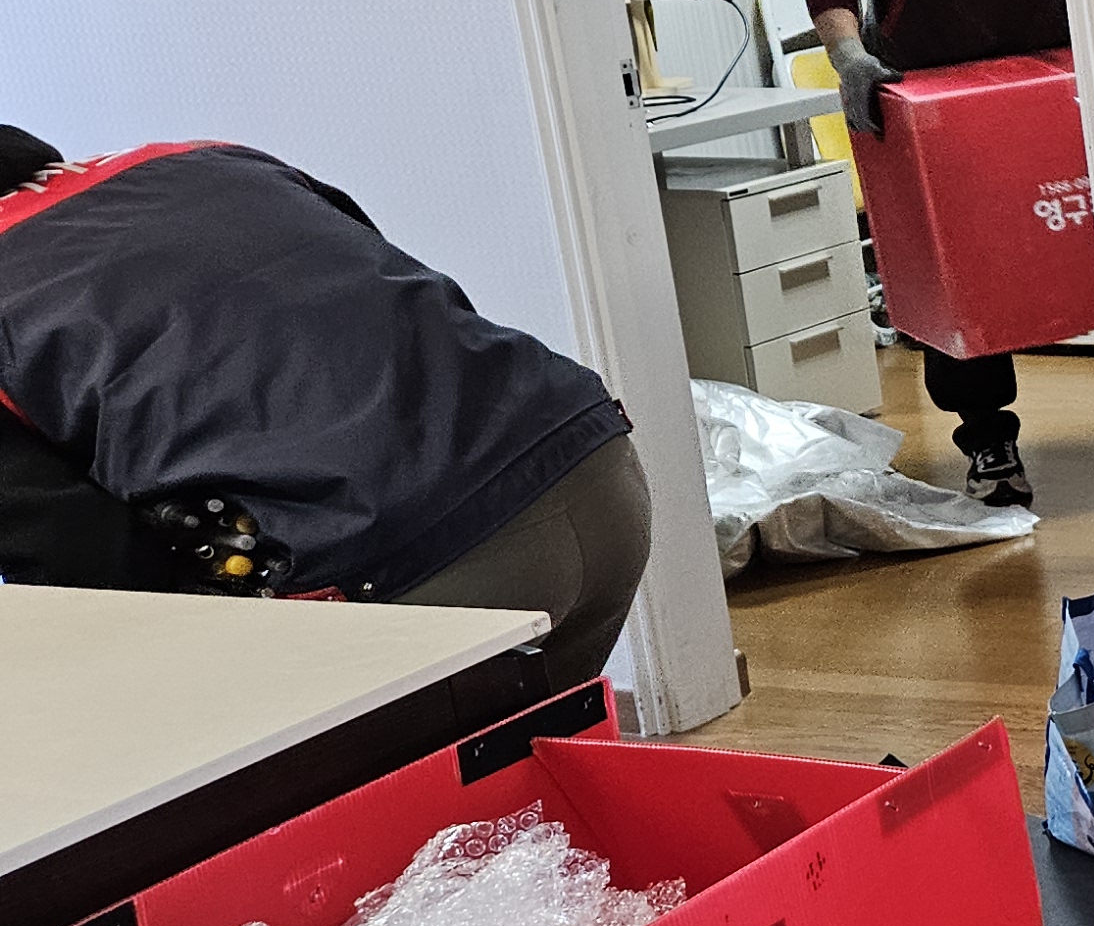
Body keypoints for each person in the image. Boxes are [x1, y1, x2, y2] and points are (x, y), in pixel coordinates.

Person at [0, 127, 654, 683]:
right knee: (539, 777)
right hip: (591, 471)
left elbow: (74, 558)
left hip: (407, 570)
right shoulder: (202, 159)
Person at [802, 0, 1066, 507]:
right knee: (965, 267)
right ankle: (987, 439)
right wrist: (848, 57)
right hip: (941, 86)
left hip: (1058, 72)